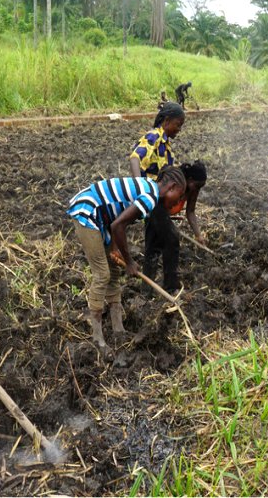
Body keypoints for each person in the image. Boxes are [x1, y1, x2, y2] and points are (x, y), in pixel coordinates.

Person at [67, 167, 186, 356]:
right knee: (102, 275)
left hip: (103, 217)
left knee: (113, 271)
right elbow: (118, 225)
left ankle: (118, 329)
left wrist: (115, 249)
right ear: (172, 187)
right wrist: (129, 262)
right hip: (88, 212)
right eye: (179, 197)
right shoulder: (150, 197)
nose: (177, 203)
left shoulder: (149, 188)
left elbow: (117, 217)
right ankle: (97, 338)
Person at [129, 103, 187, 291]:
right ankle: (171, 286)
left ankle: (147, 290)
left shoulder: (166, 144)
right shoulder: (153, 136)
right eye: (178, 124)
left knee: (153, 244)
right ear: (167, 120)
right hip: (151, 198)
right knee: (171, 239)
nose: (179, 129)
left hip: (159, 201)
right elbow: (135, 158)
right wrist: (139, 186)